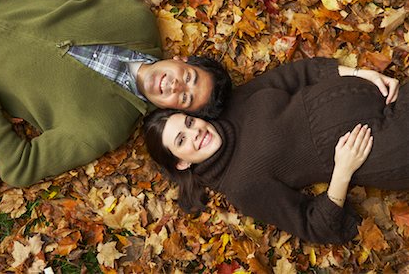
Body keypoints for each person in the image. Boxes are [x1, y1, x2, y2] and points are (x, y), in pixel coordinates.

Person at [0, 0, 232, 187]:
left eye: (185, 97)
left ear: (175, 110)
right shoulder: (135, 21)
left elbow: (19, 167)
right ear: (182, 61)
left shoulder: (103, 129)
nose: (176, 85)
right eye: (188, 77)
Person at [142, 57, 409, 244]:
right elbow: (312, 225)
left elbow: (297, 75)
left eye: (189, 122)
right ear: (181, 163)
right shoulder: (241, 186)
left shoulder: (232, 105)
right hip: (385, 144)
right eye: (181, 141)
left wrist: (361, 74)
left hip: (385, 97)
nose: (195, 133)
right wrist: (343, 171)